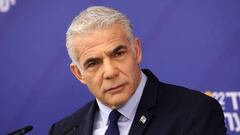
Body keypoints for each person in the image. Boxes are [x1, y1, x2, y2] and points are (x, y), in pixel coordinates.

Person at [49, 6, 227, 135]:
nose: (110, 72)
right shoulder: (62, 131)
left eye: (118, 53)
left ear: (137, 51)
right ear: (78, 73)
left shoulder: (195, 113)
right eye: (93, 63)